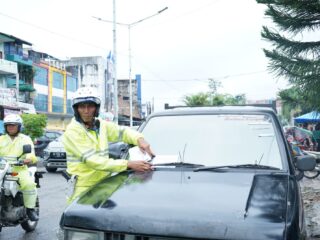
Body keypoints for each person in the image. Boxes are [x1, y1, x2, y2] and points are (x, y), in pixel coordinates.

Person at [62, 86, 154, 203]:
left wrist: (139, 139)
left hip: (105, 184)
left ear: (96, 108)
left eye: (90, 106)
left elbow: (123, 132)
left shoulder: (101, 125)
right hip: (83, 189)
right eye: (82, 107)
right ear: (76, 109)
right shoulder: (73, 131)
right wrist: (128, 164)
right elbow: (93, 160)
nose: (86, 111)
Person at [0, 114, 38, 221]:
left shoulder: (25, 139)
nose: (10, 127)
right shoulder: (1, 139)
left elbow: (31, 154)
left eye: (13, 125)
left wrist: (28, 159)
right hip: (2, 169)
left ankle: (30, 209)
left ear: (19, 126)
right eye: (8, 125)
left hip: (18, 170)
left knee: (29, 184)